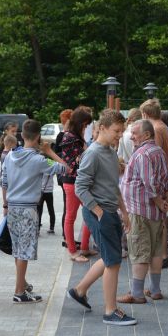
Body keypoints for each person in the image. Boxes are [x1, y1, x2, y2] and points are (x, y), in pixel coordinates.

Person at [67, 109, 136, 326]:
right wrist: (99, 212)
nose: (120, 135)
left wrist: (124, 213)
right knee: (113, 262)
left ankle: (79, 291)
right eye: (117, 131)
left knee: (109, 257)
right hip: (99, 213)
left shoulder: (110, 152)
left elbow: (113, 187)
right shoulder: (93, 153)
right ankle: (110, 311)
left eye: (122, 131)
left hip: (109, 211)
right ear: (103, 128)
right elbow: (80, 187)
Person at [2, 119, 68, 303]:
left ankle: (22, 284)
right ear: (38, 136)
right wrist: (49, 151)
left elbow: (4, 182)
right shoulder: (39, 160)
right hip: (28, 209)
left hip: (12, 207)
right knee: (24, 252)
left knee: (18, 249)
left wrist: (5, 206)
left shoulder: (10, 156)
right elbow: (65, 168)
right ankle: (19, 292)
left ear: (22, 135)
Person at [117, 120, 168, 304]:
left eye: (134, 133)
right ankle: (155, 290)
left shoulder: (142, 154)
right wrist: (167, 198)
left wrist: (159, 201)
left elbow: (149, 183)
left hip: (140, 211)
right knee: (156, 251)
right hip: (154, 213)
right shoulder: (158, 151)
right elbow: (165, 177)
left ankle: (137, 294)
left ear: (147, 135)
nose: (131, 137)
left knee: (139, 251)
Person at [139, 99, 168, 269]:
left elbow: (154, 154)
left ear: (145, 114)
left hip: (158, 177)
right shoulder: (163, 126)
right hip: (164, 173)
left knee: (160, 218)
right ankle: (162, 254)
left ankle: (163, 255)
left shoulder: (155, 129)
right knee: (162, 217)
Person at [60, 107, 94, 261]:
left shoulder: (75, 136)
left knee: (89, 212)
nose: (86, 128)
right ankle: (73, 252)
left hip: (78, 181)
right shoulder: (70, 137)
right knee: (71, 217)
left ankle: (84, 248)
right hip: (73, 181)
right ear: (80, 122)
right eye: (85, 124)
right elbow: (80, 158)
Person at [54, 109, 73, 244]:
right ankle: (66, 235)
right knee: (68, 206)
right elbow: (56, 156)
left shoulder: (68, 135)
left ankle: (66, 234)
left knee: (68, 206)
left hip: (66, 174)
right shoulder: (62, 136)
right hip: (65, 174)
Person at [38, 170, 56, 235]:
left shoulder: (41, 166)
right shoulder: (51, 167)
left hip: (41, 192)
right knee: (51, 210)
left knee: (39, 211)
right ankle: (52, 228)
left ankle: (37, 229)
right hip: (49, 191)